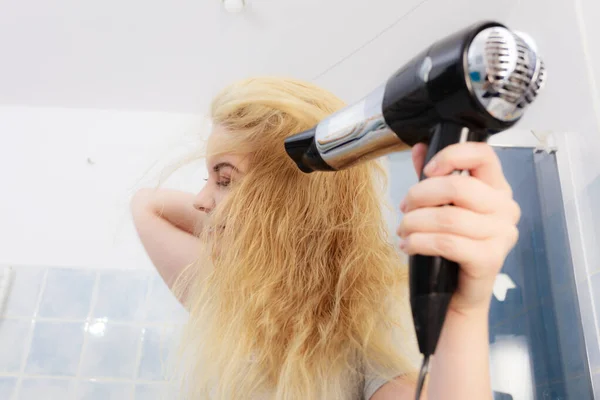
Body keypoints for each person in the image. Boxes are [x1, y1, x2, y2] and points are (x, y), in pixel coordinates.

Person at [131, 77, 520, 399]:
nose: (200, 200)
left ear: (289, 201)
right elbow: (146, 206)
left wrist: (463, 314)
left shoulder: (368, 323)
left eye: (225, 179)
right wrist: (231, 218)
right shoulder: (236, 300)